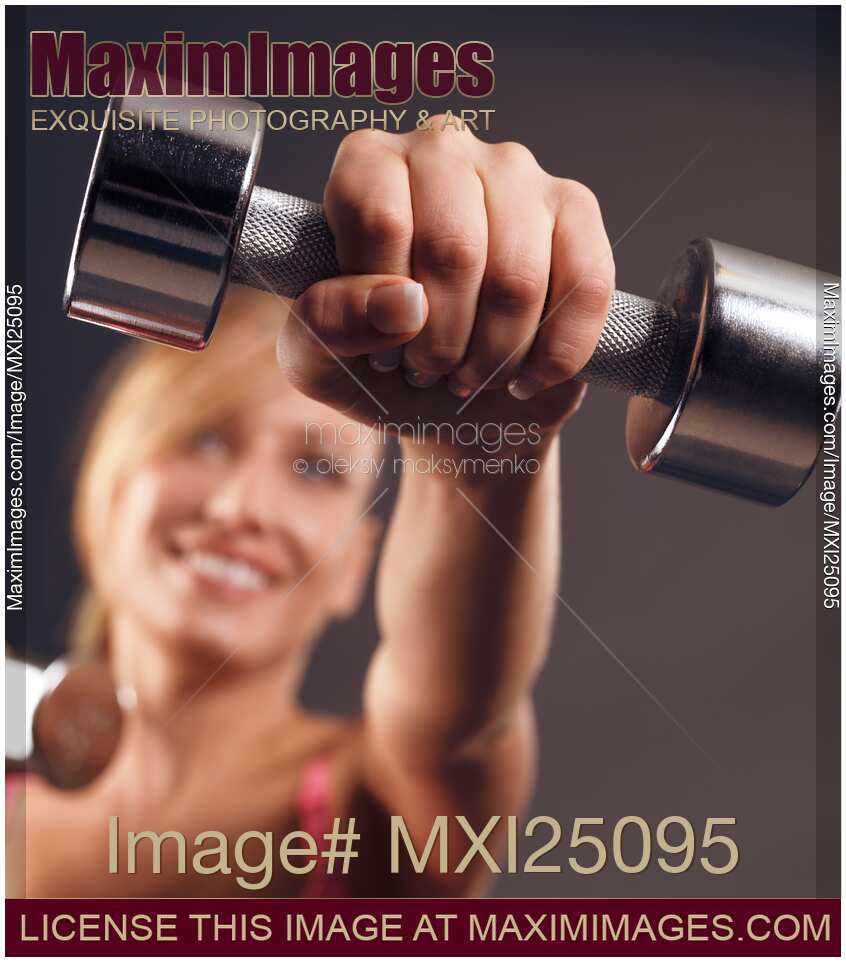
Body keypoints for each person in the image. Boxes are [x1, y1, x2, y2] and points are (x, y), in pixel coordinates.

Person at [7, 117, 614, 896]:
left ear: (351, 570)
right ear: (108, 492)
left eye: (316, 469)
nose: (241, 506)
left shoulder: (375, 816)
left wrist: (480, 452)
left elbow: (460, 726)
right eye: (204, 441)